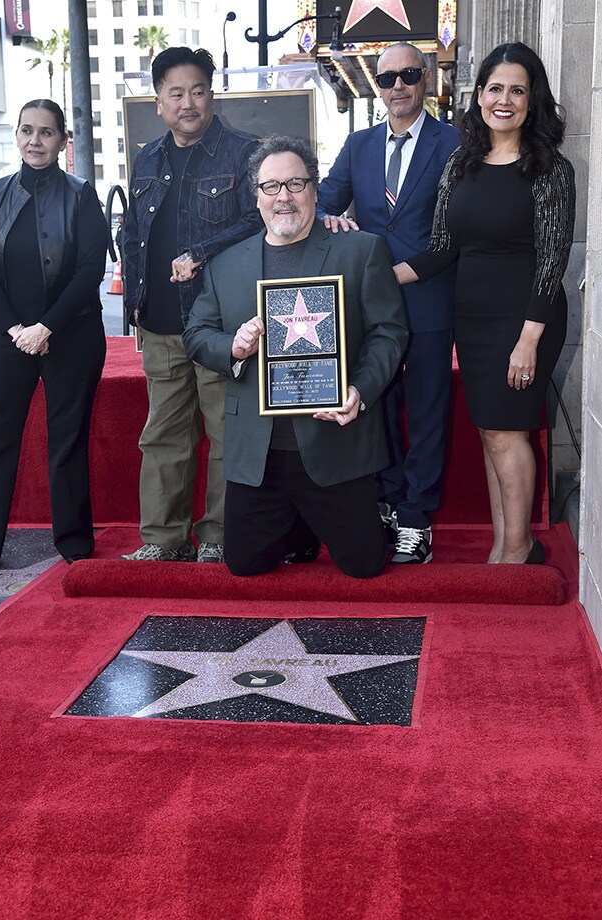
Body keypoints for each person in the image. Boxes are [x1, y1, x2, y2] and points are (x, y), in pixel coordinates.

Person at [183, 136, 408, 578]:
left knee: (365, 566)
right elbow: (196, 334)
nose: (283, 197)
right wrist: (233, 346)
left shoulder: (361, 251)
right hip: (260, 449)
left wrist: (359, 390)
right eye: (271, 187)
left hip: (334, 441)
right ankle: (299, 524)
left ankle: (355, 517)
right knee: (244, 565)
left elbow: (389, 332)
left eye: (295, 184)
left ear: (315, 189)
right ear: (256, 195)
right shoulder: (226, 265)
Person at [393, 42, 575, 564]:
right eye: (495, 88)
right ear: (479, 97)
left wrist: (528, 340)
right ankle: (506, 544)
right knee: (494, 431)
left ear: (532, 100)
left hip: (525, 320)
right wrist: (381, 279)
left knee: (506, 430)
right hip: (472, 319)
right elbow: (441, 250)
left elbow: (552, 259)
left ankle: (515, 554)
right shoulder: (461, 163)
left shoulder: (550, 170)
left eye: (518, 90)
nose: (505, 99)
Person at [317, 42, 460, 565]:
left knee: (424, 413)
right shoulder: (357, 145)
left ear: (425, 80)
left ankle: (418, 519)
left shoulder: (454, 144)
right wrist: (330, 220)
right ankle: (390, 502)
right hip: (371, 310)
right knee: (375, 408)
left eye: (407, 75)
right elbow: (326, 203)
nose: (397, 86)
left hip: (427, 298)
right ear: (376, 86)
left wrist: (393, 274)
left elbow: (455, 231)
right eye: (386, 78)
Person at [122, 47, 262, 565]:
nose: (188, 102)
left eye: (198, 91)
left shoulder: (245, 154)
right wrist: (135, 300)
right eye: (175, 93)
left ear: (211, 94)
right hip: (159, 323)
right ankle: (164, 539)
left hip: (221, 323)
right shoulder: (149, 157)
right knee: (163, 436)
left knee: (227, 431)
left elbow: (256, 223)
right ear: (158, 102)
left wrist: (201, 253)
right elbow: (134, 232)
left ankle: (220, 536)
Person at [0, 99, 107, 576]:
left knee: (68, 438)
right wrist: (16, 328)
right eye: (26, 131)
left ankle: (74, 544)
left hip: (72, 333)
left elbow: (91, 268)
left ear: (63, 140)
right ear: (18, 136)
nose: (35, 140)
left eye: (46, 132)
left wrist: (47, 327)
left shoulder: (83, 195)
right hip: (6, 337)